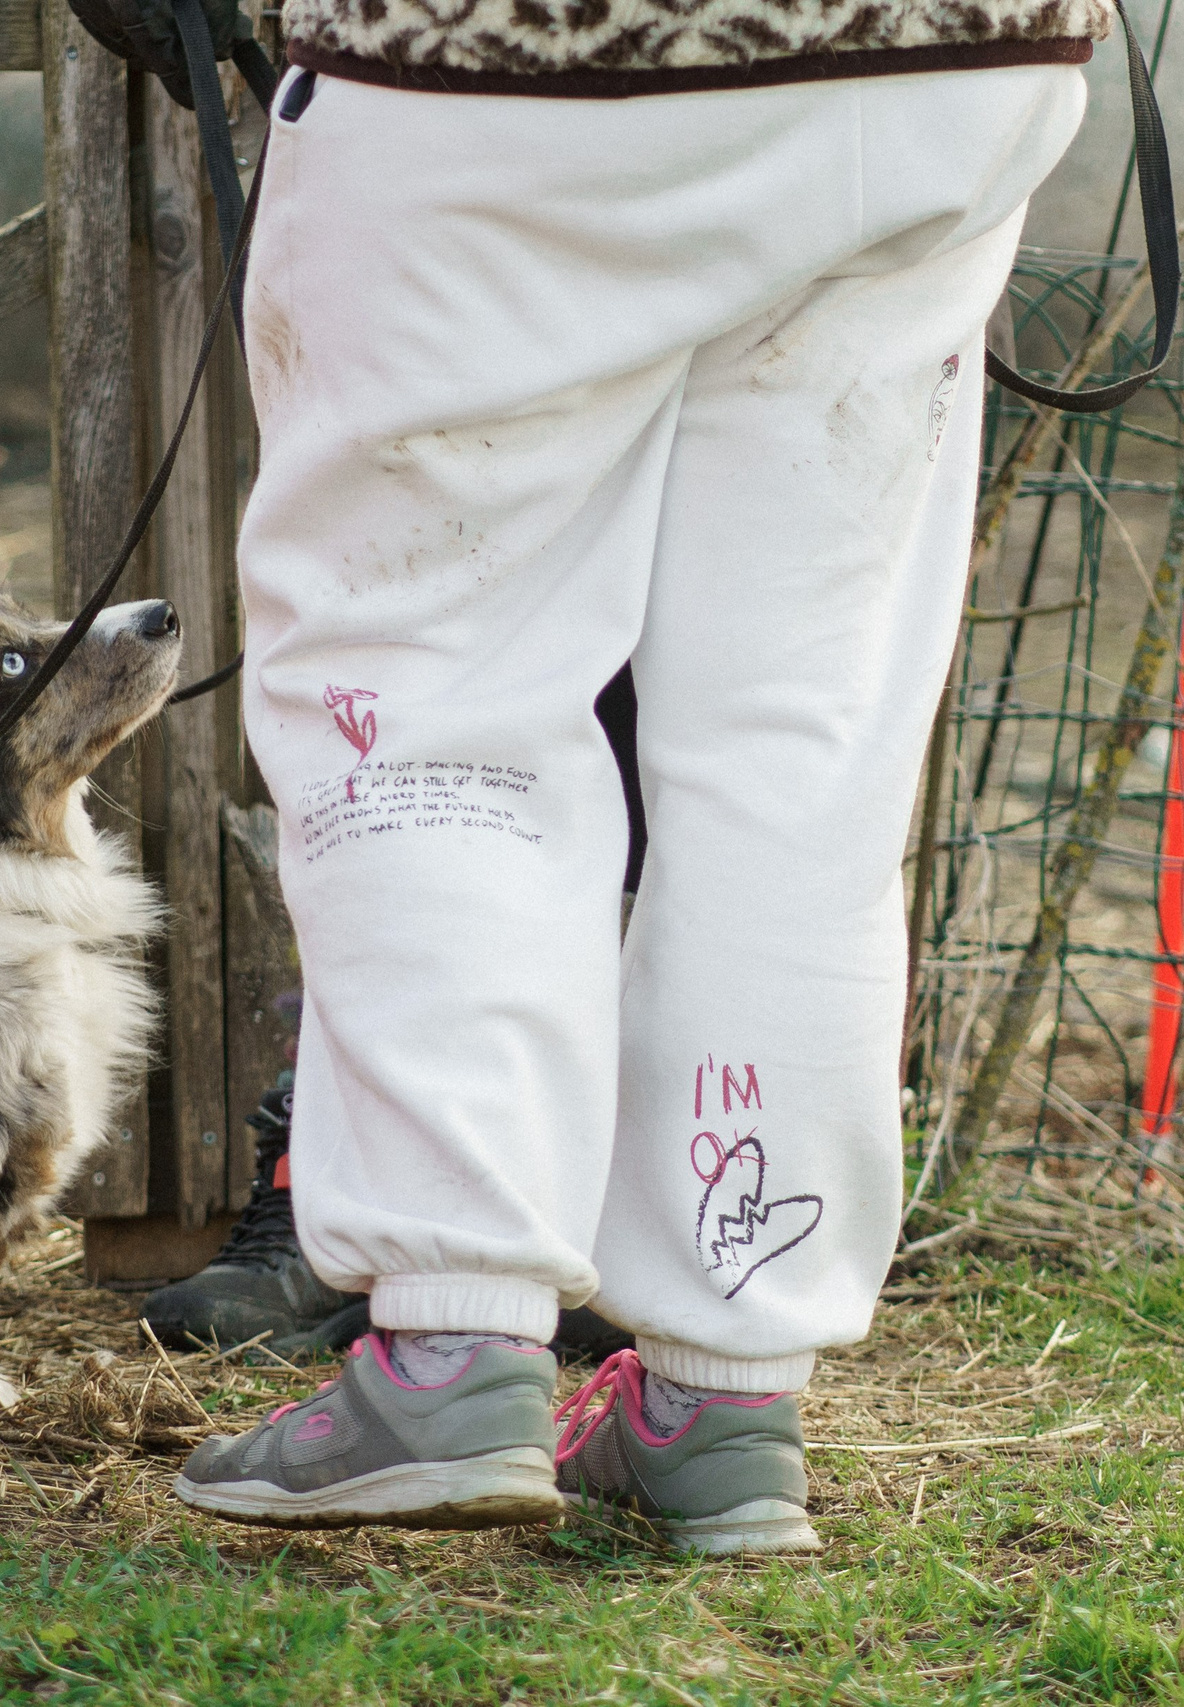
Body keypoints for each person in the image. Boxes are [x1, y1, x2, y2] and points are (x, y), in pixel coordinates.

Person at [164, 0, 1103, 1553]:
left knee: (425, 676)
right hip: (947, 61)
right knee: (804, 728)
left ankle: (453, 1341)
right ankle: (723, 1391)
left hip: (512, 70)